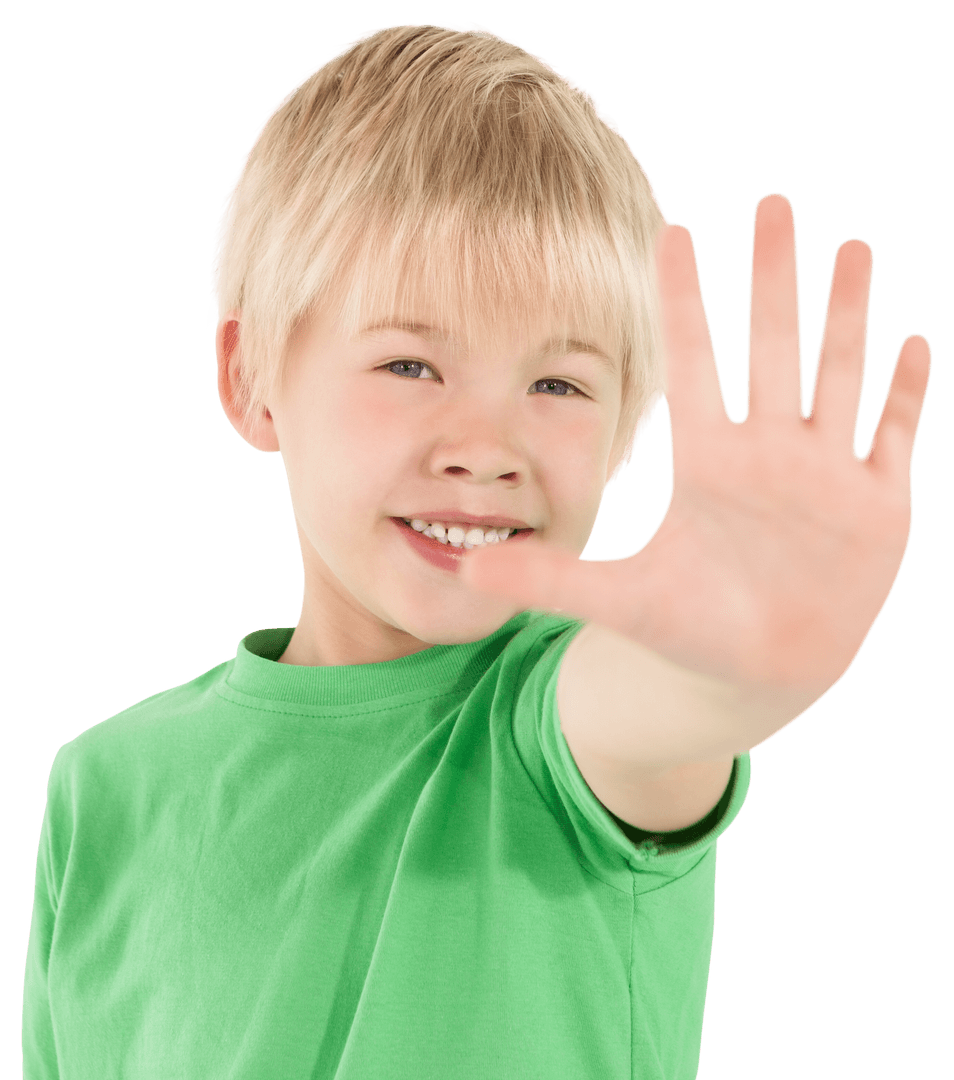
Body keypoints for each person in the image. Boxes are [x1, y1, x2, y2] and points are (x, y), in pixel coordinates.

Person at [21, 21, 931, 1080]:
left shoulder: (559, 725)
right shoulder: (103, 788)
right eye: (411, 364)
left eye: (558, 386)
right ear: (250, 372)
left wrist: (727, 658)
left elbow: (659, 710)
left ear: (627, 427)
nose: (485, 451)